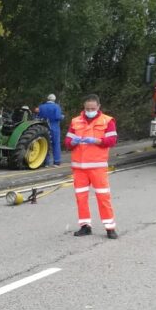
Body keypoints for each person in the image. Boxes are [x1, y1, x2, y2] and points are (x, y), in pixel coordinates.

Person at [65, 94, 118, 239]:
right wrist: (73, 142)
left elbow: (112, 140)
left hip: (97, 167)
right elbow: (67, 142)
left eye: (92, 108)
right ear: (84, 107)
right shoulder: (75, 121)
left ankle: (110, 228)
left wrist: (96, 140)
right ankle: (85, 226)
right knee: (81, 198)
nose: (89, 110)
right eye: (87, 108)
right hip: (79, 168)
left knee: (103, 197)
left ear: (98, 107)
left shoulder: (107, 121)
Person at [37, 93, 63, 166]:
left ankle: (46, 162)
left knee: (45, 144)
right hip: (54, 127)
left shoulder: (41, 107)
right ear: (54, 99)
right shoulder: (56, 107)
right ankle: (56, 162)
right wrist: (62, 117)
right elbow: (58, 117)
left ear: (47, 99)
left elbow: (38, 116)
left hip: (44, 127)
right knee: (56, 144)